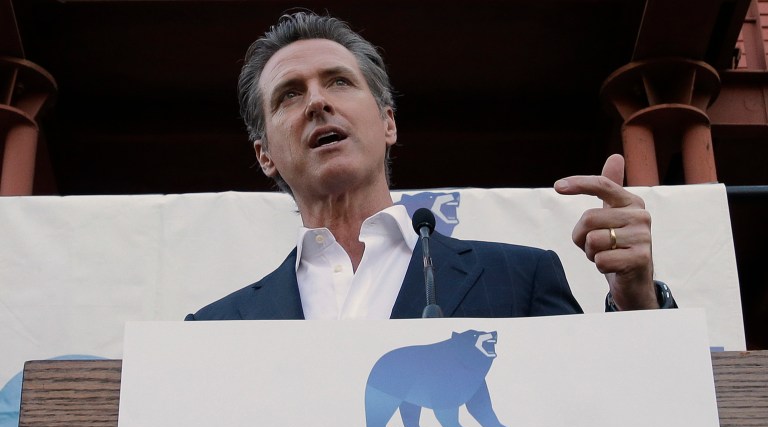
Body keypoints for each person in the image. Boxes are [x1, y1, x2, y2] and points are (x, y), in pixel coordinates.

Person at [186, 11, 676, 321]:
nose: (317, 102)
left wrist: (636, 301)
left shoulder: (521, 277)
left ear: (387, 123)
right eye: (289, 94)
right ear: (264, 155)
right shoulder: (214, 330)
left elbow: (601, 408)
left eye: (338, 82)